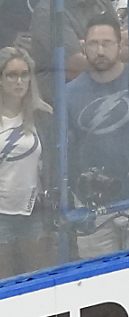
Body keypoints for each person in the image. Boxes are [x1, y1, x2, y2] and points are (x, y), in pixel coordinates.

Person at [0, 46, 56, 283]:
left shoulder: (43, 116)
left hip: (35, 214)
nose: (19, 81)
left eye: (24, 74)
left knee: (39, 284)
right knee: (2, 287)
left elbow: (52, 166)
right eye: (12, 75)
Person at [66, 14, 129, 259]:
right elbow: (65, 154)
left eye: (106, 43)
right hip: (93, 209)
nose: (99, 50)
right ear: (84, 47)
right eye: (93, 44)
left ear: (119, 45)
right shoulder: (69, 94)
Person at [31, 0, 116, 97]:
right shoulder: (48, 11)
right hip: (64, 100)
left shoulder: (102, 3)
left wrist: (89, 48)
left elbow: (120, 39)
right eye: (92, 43)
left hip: (107, 91)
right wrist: (113, 53)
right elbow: (75, 65)